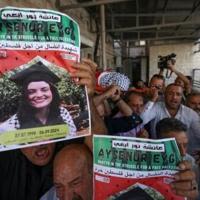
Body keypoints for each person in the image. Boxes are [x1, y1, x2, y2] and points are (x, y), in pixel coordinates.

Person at [0, 58, 107, 200]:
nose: (42, 140)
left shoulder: (63, 117)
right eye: (32, 91)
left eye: (44, 89)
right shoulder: (8, 133)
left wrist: (88, 97)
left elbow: (101, 153)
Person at [0, 61, 76, 136]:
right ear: (25, 95)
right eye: (31, 92)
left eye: (44, 89)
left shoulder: (63, 113)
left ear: (52, 92)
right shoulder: (9, 127)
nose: (39, 95)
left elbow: (71, 135)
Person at [141, 83, 200, 154]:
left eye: (178, 94)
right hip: (159, 153)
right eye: (170, 93)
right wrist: (153, 99)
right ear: (164, 95)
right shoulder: (157, 107)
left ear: (182, 97)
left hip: (183, 154)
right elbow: (141, 120)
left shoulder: (191, 114)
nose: (174, 97)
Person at [156, 118, 199, 199]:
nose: (183, 153)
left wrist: (192, 193)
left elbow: (196, 193)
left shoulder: (190, 161)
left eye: (185, 145)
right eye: (175, 147)